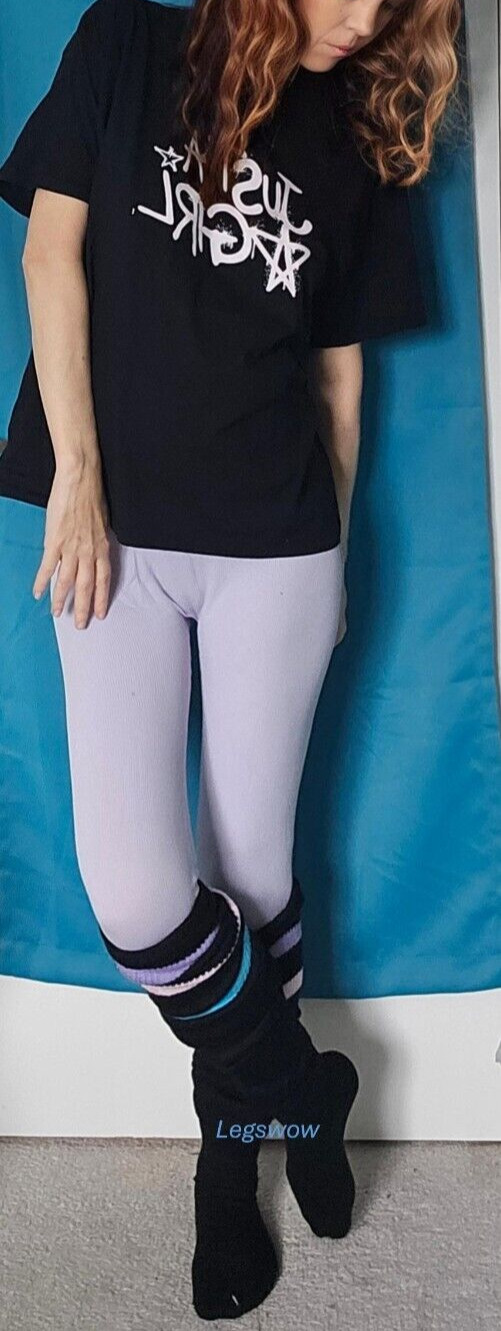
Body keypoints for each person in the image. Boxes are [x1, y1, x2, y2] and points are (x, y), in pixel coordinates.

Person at [0, 0, 461, 1319]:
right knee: (136, 891)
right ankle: (304, 1090)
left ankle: (230, 1160)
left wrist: (335, 556)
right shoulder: (128, 45)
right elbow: (50, 255)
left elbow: (340, 382)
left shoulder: (360, 131)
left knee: (253, 873)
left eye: (394, 2)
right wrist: (77, 479)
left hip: (281, 548)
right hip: (116, 533)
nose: (365, 19)